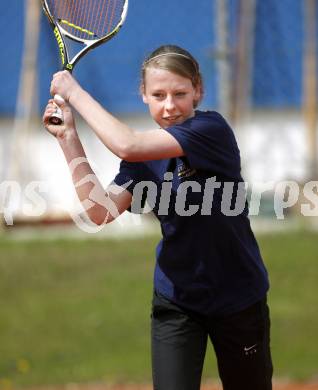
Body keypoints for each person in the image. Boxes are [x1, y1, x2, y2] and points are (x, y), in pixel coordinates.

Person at [43, 44, 273, 390]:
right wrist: (68, 137)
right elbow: (99, 211)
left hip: (237, 295)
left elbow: (128, 143)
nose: (169, 106)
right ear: (144, 96)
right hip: (177, 299)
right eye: (158, 94)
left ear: (198, 90)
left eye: (180, 93)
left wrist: (73, 91)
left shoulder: (212, 131)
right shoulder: (142, 160)